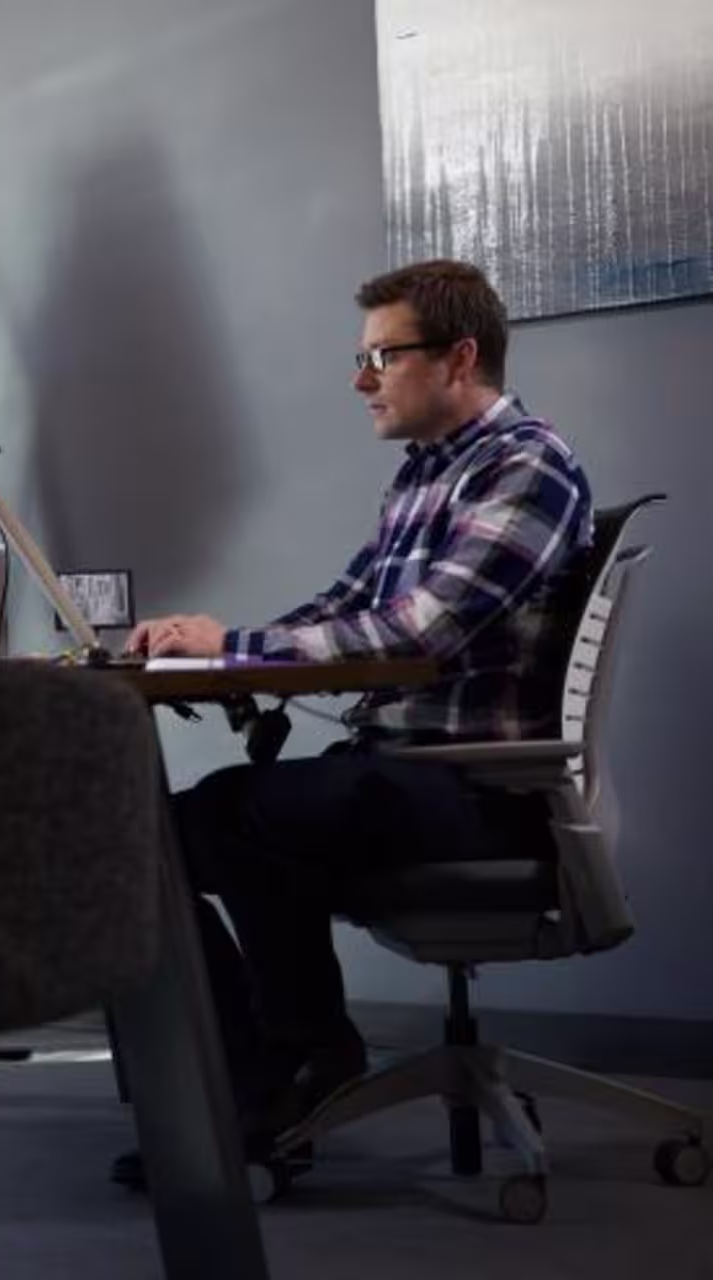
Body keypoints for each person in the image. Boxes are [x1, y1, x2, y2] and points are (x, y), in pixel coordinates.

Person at [113, 259, 594, 1186]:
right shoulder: (422, 476)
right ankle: (285, 1063)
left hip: (478, 790)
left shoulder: (528, 465)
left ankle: (280, 1071)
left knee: (224, 820)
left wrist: (240, 645)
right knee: (184, 829)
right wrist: (206, 646)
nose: (359, 379)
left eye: (382, 356)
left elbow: (423, 629)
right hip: (403, 774)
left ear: (459, 359)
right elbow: (341, 606)